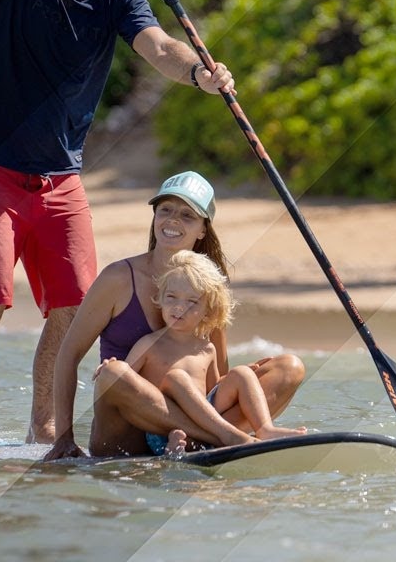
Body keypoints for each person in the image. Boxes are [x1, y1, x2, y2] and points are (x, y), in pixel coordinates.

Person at [0, 0, 238, 445]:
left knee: (73, 307)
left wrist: (201, 75)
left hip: (60, 178)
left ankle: (43, 425)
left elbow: (158, 47)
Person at [45, 172, 306, 460]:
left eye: (187, 215)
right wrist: (64, 439)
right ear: (154, 217)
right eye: (165, 210)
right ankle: (228, 439)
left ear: (203, 229)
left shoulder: (209, 287)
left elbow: (214, 379)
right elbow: (69, 353)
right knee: (113, 373)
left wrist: (243, 380)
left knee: (289, 367)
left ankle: (213, 441)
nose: (172, 220)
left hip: (185, 428)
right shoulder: (118, 278)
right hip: (124, 434)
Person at [124, 250, 306, 455]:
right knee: (177, 378)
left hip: (206, 419)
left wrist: (245, 376)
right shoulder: (149, 344)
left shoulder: (207, 348)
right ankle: (177, 442)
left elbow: (213, 388)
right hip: (164, 424)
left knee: (240, 373)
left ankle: (265, 430)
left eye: (191, 302)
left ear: (207, 310)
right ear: (159, 298)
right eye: (171, 297)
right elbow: (126, 383)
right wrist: (111, 367)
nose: (179, 307)